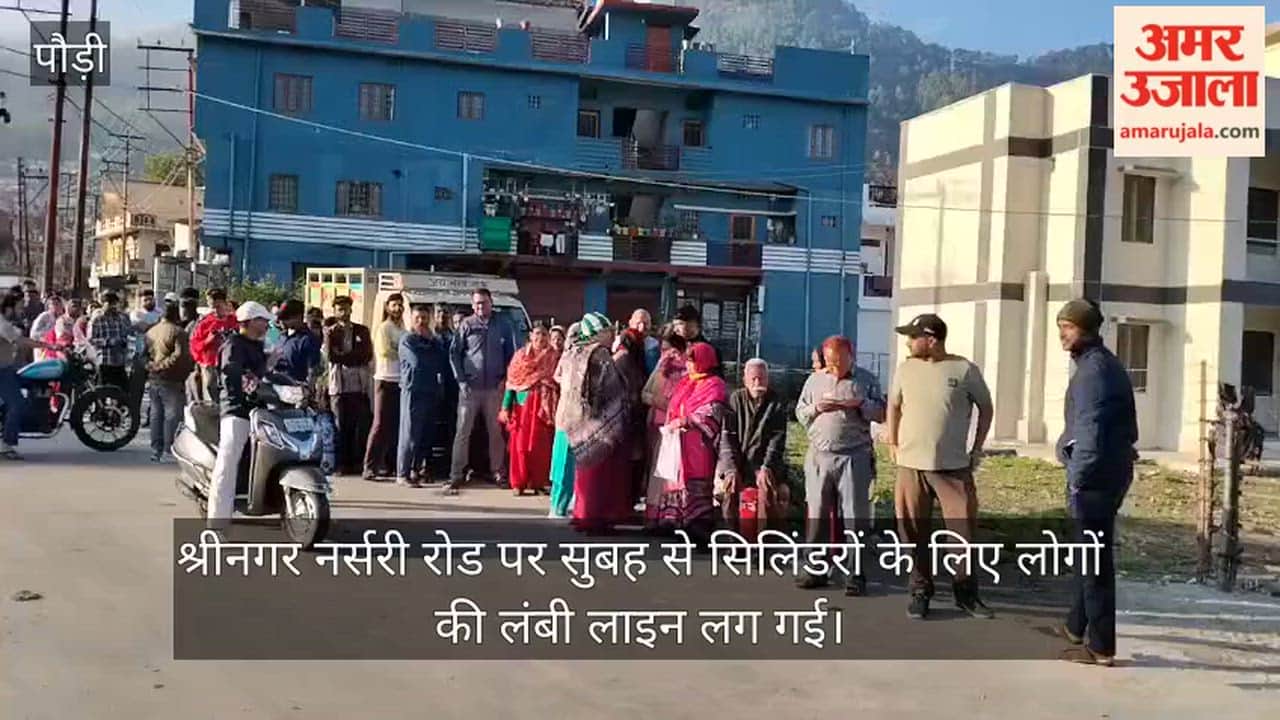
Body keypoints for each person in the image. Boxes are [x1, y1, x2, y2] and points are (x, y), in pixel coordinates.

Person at [884, 313, 994, 620]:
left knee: (961, 533)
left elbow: (986, 408)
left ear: (930, 340)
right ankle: (920, 590)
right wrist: (892, 443)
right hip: (910, 466)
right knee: (912, 530)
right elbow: (893, 406)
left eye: (912, 337)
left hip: (953, 468)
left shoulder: (964, 369)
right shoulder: (906, 369)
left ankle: (966, 594)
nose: (907, 342)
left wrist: (976, 449)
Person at [1053, 299, 1138, 667]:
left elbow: (1090, 430)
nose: (1061, 334)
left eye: (1068, 328)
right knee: (1086, 555)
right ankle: (1076, 625)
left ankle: (1101, 647)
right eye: (1061, 327)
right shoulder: (1097, 364)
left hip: (1096, 478)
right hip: (1106, 471)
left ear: (1086, 330)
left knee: (1094, 564)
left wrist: (1077, 476)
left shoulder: (1094, 371)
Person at [794, 336, 885, 595]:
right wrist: (817, 408)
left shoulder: (866, 380)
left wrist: (861, 405)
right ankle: (815, 568)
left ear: (850, 356)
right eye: (829, 362)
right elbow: (800, 413)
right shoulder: (814, 380)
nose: (833, 367)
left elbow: (881, 413)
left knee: (854, 516)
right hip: (820, 455)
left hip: (854, 456)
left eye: (838, 362)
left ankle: (855, 573)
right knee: (817, 514)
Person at [559, 313, 632, 533]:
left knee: (583, 473)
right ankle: (595, 519)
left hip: (576, 420)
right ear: (597, 333)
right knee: (599, 476)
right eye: (608, 331)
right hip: (600, 423)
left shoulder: (573, 352)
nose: (611, 335)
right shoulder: (600, 354)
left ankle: (581, 515)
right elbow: (612, 389)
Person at [650, 342, 728, 544]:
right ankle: (676, 522)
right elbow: (673, 404)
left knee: (697, 482)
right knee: (676, 480)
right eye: (689, 361)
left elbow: (712, 412)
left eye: (693, 361)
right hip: (678, 442)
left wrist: (687, 420)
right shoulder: (686, 382)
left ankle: (698, 526)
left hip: (698, 444)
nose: (690, 365)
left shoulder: (715, 384)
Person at [207, 301, 274, 534]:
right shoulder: (233, 345)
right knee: (226, 464)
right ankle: (217, 524)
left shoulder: (258, 346)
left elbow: (265, 375)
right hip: (236, 410)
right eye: (262, 320)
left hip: (261, 412)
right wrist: (258, 374)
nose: (266, 325)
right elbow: (233, 375)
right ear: (249, 322)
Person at [445, 288, 516, 494]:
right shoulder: (467, 325)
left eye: (483, 303)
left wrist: (505, 380)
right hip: (470, 389)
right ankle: (456, 474)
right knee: (463, 432)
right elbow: (454, 355)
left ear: (491, 302)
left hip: (494, 389)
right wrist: (461, 382)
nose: (479, 307)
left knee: (496, 433)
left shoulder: (503, 325)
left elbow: (511, 355)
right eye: (476, 304)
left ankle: (499, 473)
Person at [716, 357, 790, 531]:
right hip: (738, 463)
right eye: (753, 379)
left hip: (763, 463)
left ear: (767, 379)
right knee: (730, 486)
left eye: (761, 378)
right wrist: (731, 469)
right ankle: (733, 541)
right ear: (745, 380)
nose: (758, 383)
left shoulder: (776, 403)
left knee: (767, 488)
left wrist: (766, 467)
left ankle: (763, 543)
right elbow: (727, 438)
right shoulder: (735, 400)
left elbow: (777, 441)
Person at [500, 322, 560, 497]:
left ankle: (538, 482)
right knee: (520, 447)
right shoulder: (520, 357)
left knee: (540, 447)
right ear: (530, 337)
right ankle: (518, 483)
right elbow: (511, 383)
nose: (540, 338)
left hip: (543, 408)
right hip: (522, 407)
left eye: (543, 334)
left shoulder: (553, 357)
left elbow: (557, 380)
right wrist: (505, 407)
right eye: (537, 334)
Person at [1, 293, 62, 460]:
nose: (22, 310)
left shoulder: (6, 323)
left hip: (8, 368)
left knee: (33, 382)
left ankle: (39, 417)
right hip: (2, 371)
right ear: (9, 308)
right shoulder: (2, 324)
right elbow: (22, 341)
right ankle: (6, 444)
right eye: (19, 306)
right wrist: (49, 345)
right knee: (17, 404)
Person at [397, 304, 448, 487]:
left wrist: (431, 345)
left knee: (425, 434)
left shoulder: (434, 341)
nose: (421, 322)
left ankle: (415, 469)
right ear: (411, 319)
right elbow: (417, 362)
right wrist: (429, 352)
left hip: (430, 390)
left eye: (425, 318)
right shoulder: (407, 340)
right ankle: (402, 473)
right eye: (418, 318)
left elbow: (442, 361)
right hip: (413, 389)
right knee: (409, 433)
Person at [641, 329, 688, 528]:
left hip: (676, 430)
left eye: (670, 350)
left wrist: (674, 408)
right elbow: (644, 393)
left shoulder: (688, 372)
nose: (666, 354)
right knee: (656, 473)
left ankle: (671, 517)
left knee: (673, 475)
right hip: (657, 426)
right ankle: (652, 517)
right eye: (663, 350)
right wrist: (657, 400)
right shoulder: (660, 369)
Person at [326, 296, 373, 476]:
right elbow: (332, 356)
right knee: (340, 425)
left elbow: (366, 354)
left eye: (346, 309)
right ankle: (341, 464)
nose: (344, 313)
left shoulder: (361, 330)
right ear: (335, 311)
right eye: (340, 309)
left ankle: (357, 462)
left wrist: (347, 356)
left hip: (358, 384)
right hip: (339, 385)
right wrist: (352, 357)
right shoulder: (330, 332)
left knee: (358, 425)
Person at [144, 301, 195, 462]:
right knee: (172, 415)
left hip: (154, 377)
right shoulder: (178, 332)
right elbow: (180, 356)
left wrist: (151, 366)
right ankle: (168, 449)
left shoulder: (151, 331)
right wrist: (163, 365)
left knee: (156, 414)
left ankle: (156, 449)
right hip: (171, 378)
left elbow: (142, 355)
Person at [364, 293, 407, 481]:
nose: (397, 308)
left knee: (396, 426)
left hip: (400, 381)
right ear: (387, 307)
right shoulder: (384, 328)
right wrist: (405, 353)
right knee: (380, 424)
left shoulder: (403, 328)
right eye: (394, 305)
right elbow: (384, 351)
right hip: (384, 380)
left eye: (400, 305)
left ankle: (389, 466)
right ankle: (369, 467)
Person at [548, 321, 582, 519]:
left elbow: (557, 376)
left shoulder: (567, 356)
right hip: (571, 418)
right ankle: (559, 507)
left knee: (562, 463)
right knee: (565, 466)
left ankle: (559, 505)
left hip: (565, 416)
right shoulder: (575, 358)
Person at [188, 289, 237, 403]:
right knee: (211, 389)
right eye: (212, 307)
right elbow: (194, 345)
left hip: (230, 362)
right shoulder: (205, 323)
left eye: (218, 306)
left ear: (226, 304)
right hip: (210, 364)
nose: (215, 310)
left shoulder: (234, 321)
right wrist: (208, 340)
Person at [88, 291, 134, 391]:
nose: (113, 306)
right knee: (101, 392)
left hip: (119, 361)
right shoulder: (97, 320)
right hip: (104, 361)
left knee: (123, 392)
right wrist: (107, 342)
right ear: (104, 304)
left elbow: (128, 334)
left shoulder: (121, 319)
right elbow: (91, 340)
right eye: (110, 303)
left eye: (115, 303)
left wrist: (124, 342)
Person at [274, 300, 322, 385]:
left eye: (286, 318)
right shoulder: (282, 336)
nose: (281, 321)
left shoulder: (308, 340)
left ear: (298, 317)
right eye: (280, 318)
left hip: (295, 391)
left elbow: (313, 370)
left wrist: (308, 389)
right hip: (275, 388)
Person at [672, 304, 722, 377]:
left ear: (693, 323)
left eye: (680, 324)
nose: (675, 330)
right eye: (674, 325)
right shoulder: (676, 345)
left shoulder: (709, 350)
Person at [613, 309, 660, 375]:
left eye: (646, 323)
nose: (642, 327)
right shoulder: (620, 340)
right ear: (630, 323)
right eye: (638, 323)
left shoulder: (655, 344)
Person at [29, 294, 64, 361]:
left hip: (57, 348)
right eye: (54, 304)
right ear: (48, 306)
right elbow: (34, 333)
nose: (57, 306)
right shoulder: (44, 316)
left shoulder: (62, 318)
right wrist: (48, 335)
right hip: (43, 347)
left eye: (58, 304)